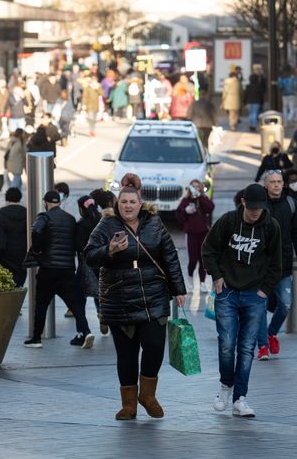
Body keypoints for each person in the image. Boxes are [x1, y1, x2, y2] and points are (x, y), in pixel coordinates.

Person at [84, 173, 186, 420]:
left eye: (132, 202)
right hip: (120, 298)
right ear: (117, 204)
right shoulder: (106, 225)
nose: (128, 206)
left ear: (140, 204)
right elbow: (88, 255)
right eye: (123, 202)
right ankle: (128, 404)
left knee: (153, 347)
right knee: (127, 354)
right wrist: (108, 250)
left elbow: (170, 256)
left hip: (154, 295)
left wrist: (179, 289)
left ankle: (147, 395)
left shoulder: (154, 223)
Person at [202, 183, 282, 417]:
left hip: (255, 294)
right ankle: (226, 386)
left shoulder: (271, 227)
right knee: (227, 343)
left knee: (247, 347)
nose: (256, 212)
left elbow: (277, 263)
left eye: (260, 207)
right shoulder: (228, 221)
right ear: (243, 203)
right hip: (227, 291)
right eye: (252, 207)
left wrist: (265, 290)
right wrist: (216, 275)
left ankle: (240, 398)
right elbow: (208, 250)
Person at [24, 190, 94, 349]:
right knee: (74, 304)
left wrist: (37, 251)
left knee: (41, 305)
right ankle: (87, 331)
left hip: (48, 269)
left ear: (46, 202)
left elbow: (36, 231)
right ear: (60, 202)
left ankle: (36, 339)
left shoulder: (44, 217)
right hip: (67, 269)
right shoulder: (70, 219)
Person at [256, 170, 297, 360]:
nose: (276, 185)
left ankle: (271, 332)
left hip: (283, 266)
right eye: (272, 182)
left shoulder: (291, 203)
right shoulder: (259, 205)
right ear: (265, 185)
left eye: (279, 181)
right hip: (261, 267)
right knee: (260, 306)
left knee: (285, 304)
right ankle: (262, 346)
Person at [176, 179, 215, 294]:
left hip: (203, 232)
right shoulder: (186, 200)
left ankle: (202, 282)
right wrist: (185, 211)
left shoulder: (203, 198)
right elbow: (179, 216)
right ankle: (190, 278)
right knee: (193, 259)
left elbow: (210, 208)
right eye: (193, 187)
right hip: (191, 233)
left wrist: (200, 197)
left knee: (203, 259)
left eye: (197, 187)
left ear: (200, 188)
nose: (195, 189)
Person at [0, 187, 27, 287]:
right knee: (19, 279)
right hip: (22, 253)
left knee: (4, 279)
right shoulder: (27, 213)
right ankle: (17, 295)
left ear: (6, 198)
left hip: (3, 253)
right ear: (20, 198)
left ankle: (8, 299)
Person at [75, 195, 105, 333]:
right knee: (100, 293)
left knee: (80, 297)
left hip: (87, 264)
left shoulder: (82, 224)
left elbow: (80, 246)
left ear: (82, 209)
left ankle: (83, 330)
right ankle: (102, 314)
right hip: (103, 262)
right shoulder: (102, 221)